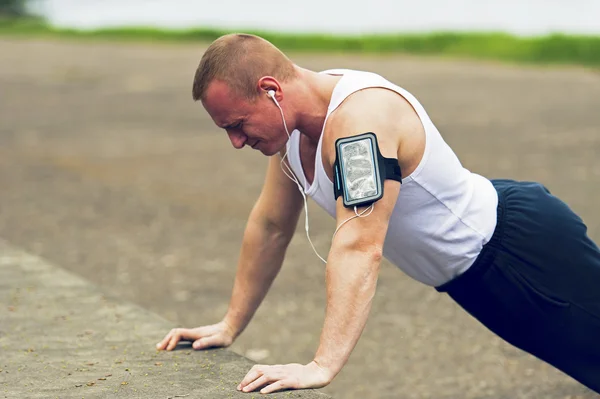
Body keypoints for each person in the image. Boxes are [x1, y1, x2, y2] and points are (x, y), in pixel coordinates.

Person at [156, 33, 600, 395]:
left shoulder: (361, 122)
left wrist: (321, 365)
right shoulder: (290, 132)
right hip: (472, 279)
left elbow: (359, 245)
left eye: (237, 124)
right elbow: (271, 226)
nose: (235, 142)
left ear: (270, 89)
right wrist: (231, 324)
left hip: (519, 252)